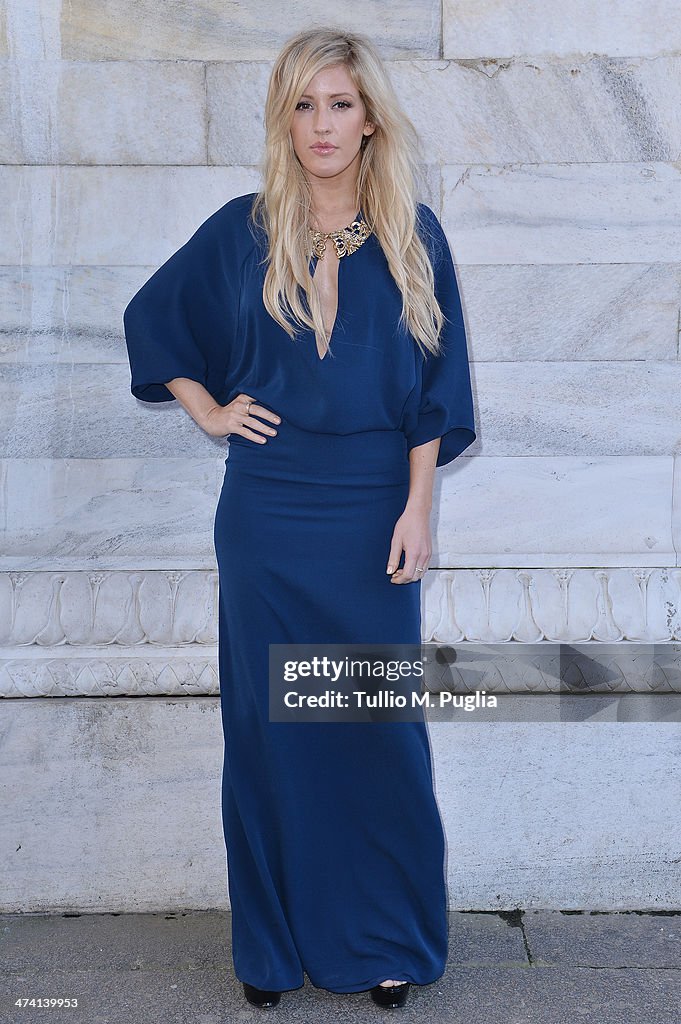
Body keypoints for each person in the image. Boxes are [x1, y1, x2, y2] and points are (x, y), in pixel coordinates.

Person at [123, 26, 476, 1012]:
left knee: (373, 732)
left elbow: (435, 394)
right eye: (305, 105)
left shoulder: (416, 234)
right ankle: (273, 949)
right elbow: (153, 321)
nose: (322, 125)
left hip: (371, 521)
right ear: (286, 118)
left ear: (370, 122)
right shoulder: (243, 228)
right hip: (268, 519)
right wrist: (207, 405)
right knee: (272, 734)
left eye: (342, 105)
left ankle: (385, 939)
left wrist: (418, 510)